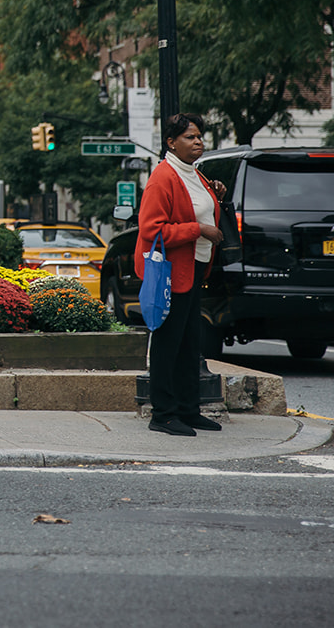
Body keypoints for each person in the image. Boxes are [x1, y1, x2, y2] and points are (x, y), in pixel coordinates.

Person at [138, 112, 227, 437]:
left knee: (191, 342)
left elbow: (198, 205)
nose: (198, 141)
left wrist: (215, 193)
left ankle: (189, 410)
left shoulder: (194, 174)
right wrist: (199, 229)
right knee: (168, 343)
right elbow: (151, 229)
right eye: (190, 137)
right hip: (171, 273)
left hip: (194, 269)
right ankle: (163, 414)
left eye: (200, 136)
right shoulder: (163, 176)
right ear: (171, 142)